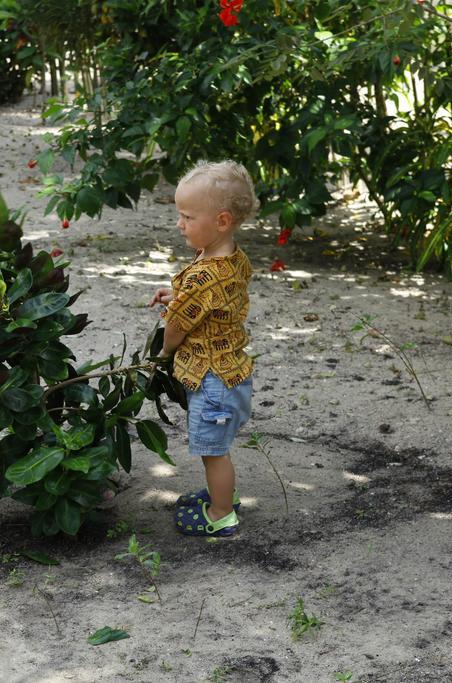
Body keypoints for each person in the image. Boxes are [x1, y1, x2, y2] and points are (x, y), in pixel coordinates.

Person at [148, 160, 258, 537]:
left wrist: (163, 353)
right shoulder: (233, 258)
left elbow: (177, 327)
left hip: (213, 383)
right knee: (219, 448)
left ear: (222, 221)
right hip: (233, 373)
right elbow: (217, 299)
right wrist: (181, 295)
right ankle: (221, 495)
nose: (180, 224)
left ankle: (221, 514)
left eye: (188, 217)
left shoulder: (201, 277)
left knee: (213, 451)